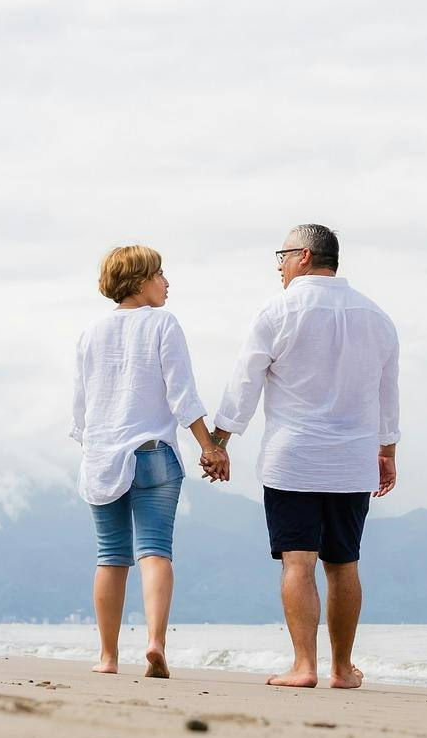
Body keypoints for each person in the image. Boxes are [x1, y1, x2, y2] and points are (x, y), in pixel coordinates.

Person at [209, 223, 399, 689]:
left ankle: (304, 666)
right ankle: (341, 670)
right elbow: (387, 392)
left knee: (299, 562)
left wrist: (218, 443)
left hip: (292, 458)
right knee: (344, 564)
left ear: (305, 257)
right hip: (353, 460)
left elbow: (244, 382)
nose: (278, 265)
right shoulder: (376, 317)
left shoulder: (279, 310)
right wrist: (388, 451)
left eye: (282, 255)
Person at [71, 245, 230, 678]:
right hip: (153, 455)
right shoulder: (162, 323)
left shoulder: (90, 333)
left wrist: (95, 449)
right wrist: (209, 447)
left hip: (102, 456)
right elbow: (183, 394)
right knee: (156, 551)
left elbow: (81, 409)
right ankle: (156, 644)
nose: (166, 282)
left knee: (110, 557)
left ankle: (107, 658)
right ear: (140, 281)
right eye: (160, 274)